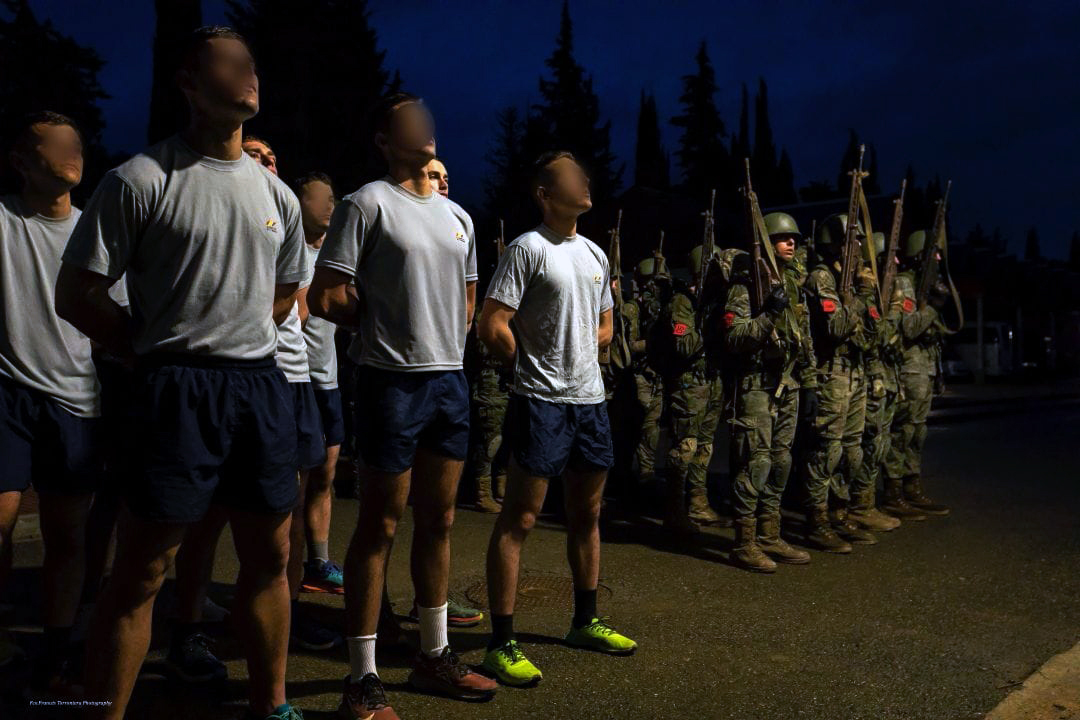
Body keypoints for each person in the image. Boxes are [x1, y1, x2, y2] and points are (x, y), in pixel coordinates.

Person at [56, 26, 308, 720]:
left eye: (250, 63)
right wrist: (144, 349)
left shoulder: (276, 196)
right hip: (175, 389)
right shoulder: (143, 179)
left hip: (258, 387)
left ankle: (271, 705)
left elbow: (286, 292)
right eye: (228, 64)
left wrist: (241, 329)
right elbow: (77, 292)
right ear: (190, 85)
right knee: (142, 569)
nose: (247, 73)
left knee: (270, 558)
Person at [310, 92, 496, 719]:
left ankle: (434, 653)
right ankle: (361, 678)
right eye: (408, 122)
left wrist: (446, 335)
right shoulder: (367, 204)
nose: (425, 128)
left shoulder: (458, 217)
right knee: (380, 525)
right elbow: (327, 294)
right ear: (386, 140)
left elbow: (469, 296)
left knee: (440, 520)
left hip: (449, 382)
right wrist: (386, 323)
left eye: (428, 118)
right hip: (390, 382)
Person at [479, 150, 636, 688]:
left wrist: (574, 354)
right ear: (546, 193)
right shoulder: (526, 249)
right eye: (572, 178)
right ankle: (501, 644)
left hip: (589, 402)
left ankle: (585, 621)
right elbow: (492, 322)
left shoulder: (594, 252)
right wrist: (530, 366)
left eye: (584, 176)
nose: (584, 182)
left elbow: (607, 329)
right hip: (540, 401)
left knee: (587, 515)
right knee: (520, 519)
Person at [0, 111, 102, 692]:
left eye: (77, 142)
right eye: (56, 143)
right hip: (8, 389)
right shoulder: (4, 219)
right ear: (21, 160)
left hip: (77, 396)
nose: (71, 150)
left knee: (69, 533)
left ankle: (58, 644)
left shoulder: (95, 231)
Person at [722, 212, 815, 572]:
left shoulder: (791, 287)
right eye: (783, 238)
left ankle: (770, 533)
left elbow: (802, 340)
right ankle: (744, 542)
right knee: (756, 463)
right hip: (756, 385)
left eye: (794, 238)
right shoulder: (745, 288)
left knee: (781, 460)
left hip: (786, 383)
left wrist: (809, 384)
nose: (792, 243)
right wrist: (769, 313)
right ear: (767, 244)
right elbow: (734, 337)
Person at [801, 214, 875, 553]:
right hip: (831, 375)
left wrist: (866, 299)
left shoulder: (853, 279)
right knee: (826, 451)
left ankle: (840, 511)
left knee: (851, 450)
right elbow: (834, 328)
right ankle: (816, 520)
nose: (857, 249)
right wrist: (860, 297)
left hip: (854, 372)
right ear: (834, 244)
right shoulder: (822, 277)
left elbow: (872, 334)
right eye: (850, 242)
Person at [292, 172, 348, 594]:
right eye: (320, 198)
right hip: (295, 380)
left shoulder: (334, 256)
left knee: (326, 474)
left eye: (333, 198)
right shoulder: (289, 250)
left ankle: (318, 561)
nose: (330, 205)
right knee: (295, 482)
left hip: (327, 380)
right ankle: (288, 576)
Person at [650, 245, 724, 534]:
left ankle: (698, 502)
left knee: (705, 447)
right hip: (688, 384)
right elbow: (683, 346)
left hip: (710, 381)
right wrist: (708, 325)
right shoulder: (683, 302)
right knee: (685, 448)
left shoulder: (713, 300)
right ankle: (674, 511)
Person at [881, 231, 951, 517]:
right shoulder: (906, 284)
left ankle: (912, 487)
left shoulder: (926, 285)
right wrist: (933, 307)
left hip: (925, 369)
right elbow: (909, 328)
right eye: (933, 254)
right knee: (903, 432)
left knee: (918, 433)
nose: (937, 259)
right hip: (909, 371)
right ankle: (893, 492)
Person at [848, 233, 905, 532]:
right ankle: (859, 505)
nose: (896, 262)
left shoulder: (879, 294)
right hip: (868, 377)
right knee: (867, 443)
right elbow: (877, 338)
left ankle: (865, 503)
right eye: (889, 257)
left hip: (882, 377)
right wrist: (893, 311)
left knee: (879, 443)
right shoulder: (867, 293)